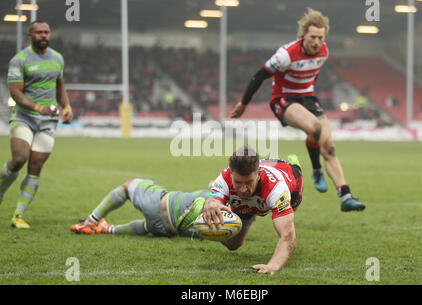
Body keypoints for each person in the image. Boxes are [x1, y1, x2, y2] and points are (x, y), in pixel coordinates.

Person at [230, 8, 365, 212]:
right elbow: (259, 76)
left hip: (308, 99)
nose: (317, 42)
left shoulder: (324, 52)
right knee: (315, 128)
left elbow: (312, 74)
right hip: (283, 99)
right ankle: (317, 169)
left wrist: (309, 92)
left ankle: (345, 195)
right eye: (312, 37)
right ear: (303, 36)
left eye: (321, 37)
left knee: (328, 147)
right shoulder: (286, 55)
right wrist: (243, 103)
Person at [0, 21, 73, 228]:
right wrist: (38, 108)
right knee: (19, 159)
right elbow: (15, 92)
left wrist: (66, 106)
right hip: (25, 117)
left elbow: (59, 85)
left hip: (48, 121)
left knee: (35, 166)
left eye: (47, 32)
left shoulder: (57, 58)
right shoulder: (19, 60)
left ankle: (18, 215)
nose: (44, 35)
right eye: (39, 32)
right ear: (30, 36)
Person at [202, 146, 303, 275]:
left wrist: (273, 265)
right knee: (233, 244)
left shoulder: (277, 189)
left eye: (249, 182)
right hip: (246, 203)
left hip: (289, 176)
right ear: (231, 175)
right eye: (238, 182)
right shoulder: (224, 178)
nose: (243, 189)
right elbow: (214, 201)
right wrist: (209, 203)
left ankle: (295, 163)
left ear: (258, 175)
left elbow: (287, 237)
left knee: (293, 208)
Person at [70, 178, 211, 238]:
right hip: (167, 230)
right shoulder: (227, 220)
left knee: (128, 185)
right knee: (146, 227)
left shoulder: (218, 195)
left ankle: (90, 222)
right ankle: (107, 229)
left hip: (160, 205)